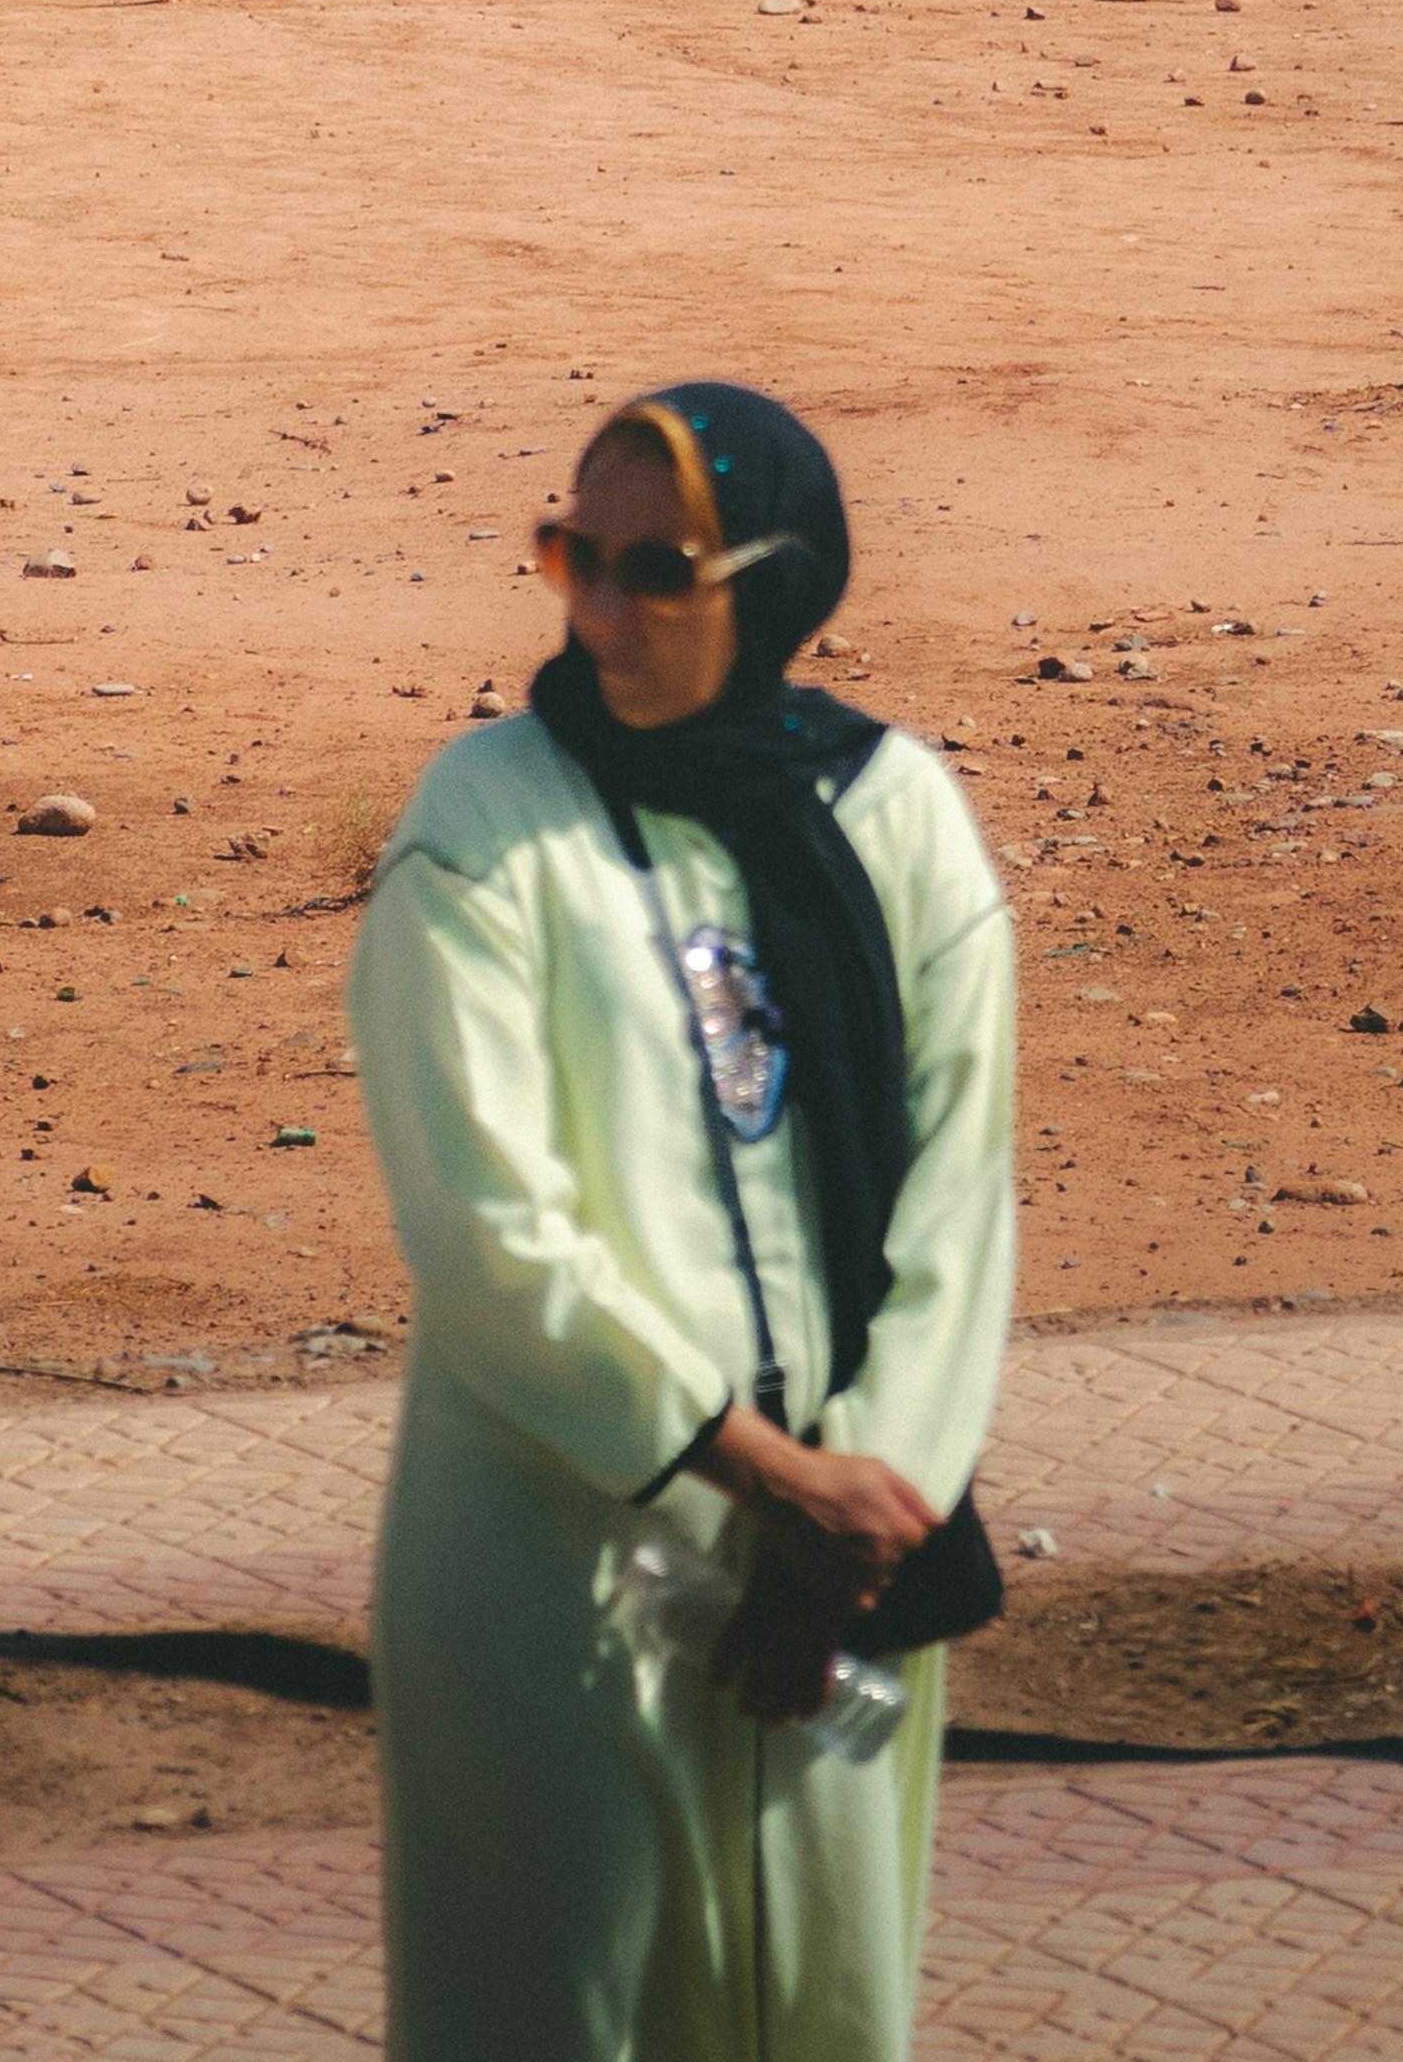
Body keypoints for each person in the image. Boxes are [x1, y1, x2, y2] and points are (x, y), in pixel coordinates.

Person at [347, 379, 1015, 2062]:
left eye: (660, 571)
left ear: (772, 588)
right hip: (557, 1567)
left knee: (818, 2014)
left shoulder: (892, 814)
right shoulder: (488, 823)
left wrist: (863, 1515)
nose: (596, 608)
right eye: (573, 553)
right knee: (554, 2014)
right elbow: (489, 1226)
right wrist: (762, 1475)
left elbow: (959, 1197)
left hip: (844, 1574)